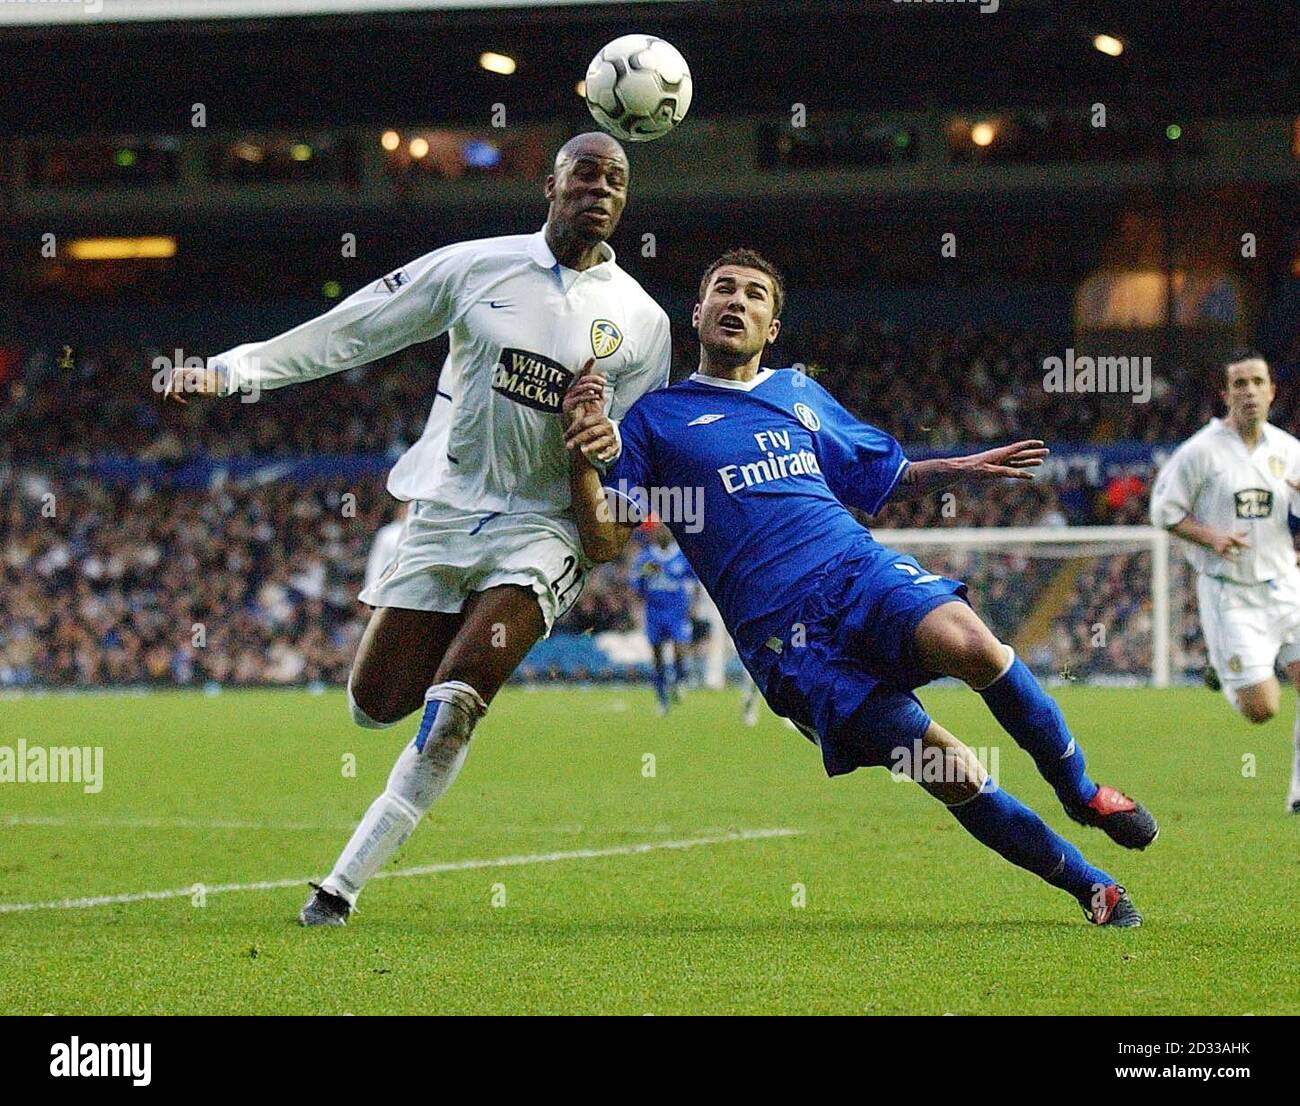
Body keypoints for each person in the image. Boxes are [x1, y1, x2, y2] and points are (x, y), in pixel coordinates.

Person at [560, 248, 1156, 927]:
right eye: (722, 290)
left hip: (856, 573)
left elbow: (885, 476)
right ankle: (1093, 888)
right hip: (789, 644)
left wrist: (964, 466)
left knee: (975, 647)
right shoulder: (655, 419)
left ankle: (1081, 793)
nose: (737, 302)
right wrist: (583, 465)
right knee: (950, 771)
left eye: (755, 295)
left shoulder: (799, 393)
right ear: (697, 314)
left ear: (772, 327)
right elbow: (604, 541)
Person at [166, 132, 671, 926]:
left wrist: (603, 450)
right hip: (445, 509)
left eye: (616, 180)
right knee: (374, 704)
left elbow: (634, 458)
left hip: (543, 529)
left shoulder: (643, 322)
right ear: (549, 184)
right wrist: (233, 372)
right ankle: (447, 654)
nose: (599, 191)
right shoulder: (474, 266)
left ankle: (338, 889)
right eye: (584, 175)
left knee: (455, 704)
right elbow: (355, 326)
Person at [1150, 350, 1300, 812]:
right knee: (1263, 710)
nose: (1250, 392)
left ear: (1272, 391)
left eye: (1258, 382)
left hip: (1284, 584)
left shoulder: (1290, 451)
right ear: (1226, 393)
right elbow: (1164, 512)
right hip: (1229, 591)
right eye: (1241, 384)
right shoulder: (1201, 452)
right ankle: (1225, 671)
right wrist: (1211, 536)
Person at [631, 519, 696, 714]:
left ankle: (679, 679)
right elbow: (636, 586)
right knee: (657, 657)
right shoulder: (646, 557)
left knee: (679, 649)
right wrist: (638, 606)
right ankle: (662, 699)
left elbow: (694, 582)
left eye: (664, 529)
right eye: (658, 530)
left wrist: (692, 606)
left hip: (677, 612)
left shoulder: (681, 556)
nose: (662, 533)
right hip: (654, 613)